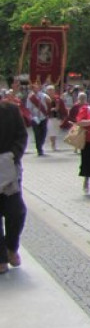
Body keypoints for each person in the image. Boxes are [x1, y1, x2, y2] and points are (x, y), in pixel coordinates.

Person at [0, 91, 28, 274]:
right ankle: (1, 258)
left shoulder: (11, 110)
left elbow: (22, 136)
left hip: (9, 169)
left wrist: (13, 155)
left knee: (17, 212)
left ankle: (11, 248)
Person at [26, 83, 49, 156]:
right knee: (37, 133)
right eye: (34, 87)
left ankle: (40, 145)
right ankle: (39, 149)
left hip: (43, 116)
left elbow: (48, 99)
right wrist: (32, 116)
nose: (36, 88)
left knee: (44, 133)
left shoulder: (42, 95)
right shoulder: (30, 97)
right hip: (35, 117)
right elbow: (28, 108)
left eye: (37, 87)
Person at [44, 85, 68, 152]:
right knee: (51, 131)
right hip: (50, 117)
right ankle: (53, 144)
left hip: (57, 117)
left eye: (52, 90)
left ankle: (54, 144)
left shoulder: (57, 99)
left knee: (55, 131)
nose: (51, 92)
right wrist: (50, 110)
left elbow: (62, 107)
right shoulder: (45, 98)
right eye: (49, 90)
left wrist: (62, 113)